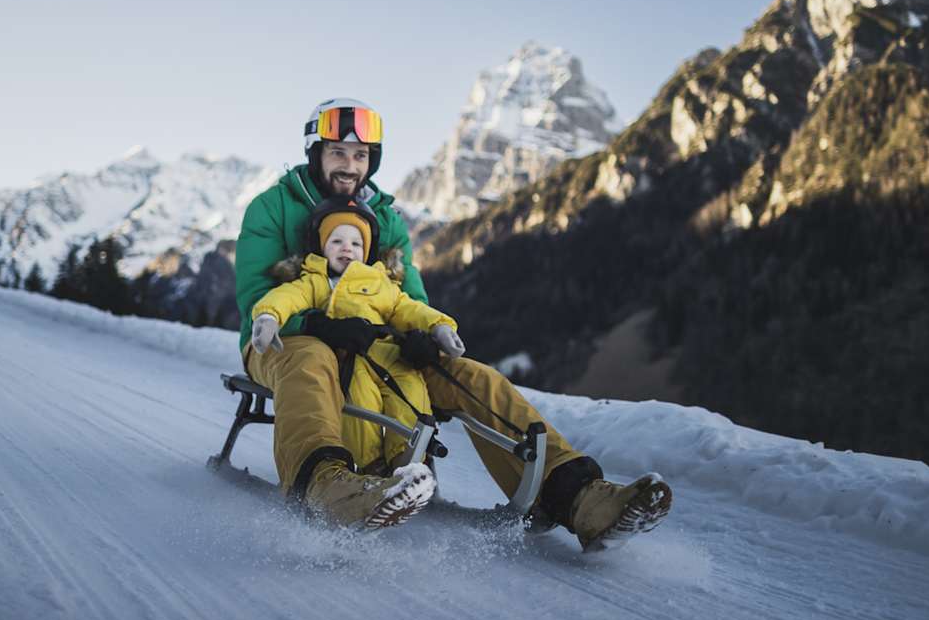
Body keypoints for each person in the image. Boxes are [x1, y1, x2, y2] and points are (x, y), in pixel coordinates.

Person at [235, 98, 671, 549]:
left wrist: (421, 337)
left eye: (361, 155)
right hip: (281, 343)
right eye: (338, 153)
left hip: (374, 344)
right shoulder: (272, 208)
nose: (350, 165)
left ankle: (577, 495)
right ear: (316, 154)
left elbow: (411, 300)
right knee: (312, 357)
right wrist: (315, 324)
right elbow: (256, 298)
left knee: (469, 375)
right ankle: (327, 486)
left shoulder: (383, 220)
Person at [249, 197, 464, 478]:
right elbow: (287, 297)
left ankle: (408, 462)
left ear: (367, 251)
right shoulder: (316, 280)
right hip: (354, 358)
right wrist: (268, 316)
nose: (347, 248)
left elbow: (408, 308)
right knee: (361, 404)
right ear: (322, 246)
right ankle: (368, 465)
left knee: (412, 399)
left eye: (356, 243)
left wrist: (439, 327)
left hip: (393, 357)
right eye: (336, 241)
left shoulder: (381, 283)